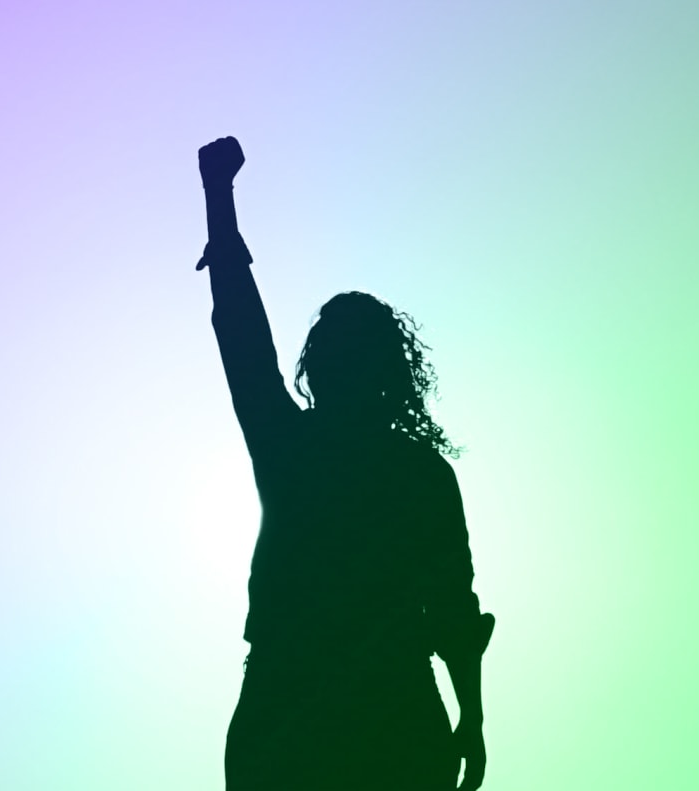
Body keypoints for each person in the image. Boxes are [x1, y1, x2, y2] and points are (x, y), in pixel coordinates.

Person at [196, 136, 495, 791]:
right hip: (363, 711)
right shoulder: (414, 473)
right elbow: (453, 610)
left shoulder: (299, 448)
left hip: (313, 710)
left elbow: (243, 336)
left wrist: (219, 198)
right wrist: (470, 716)